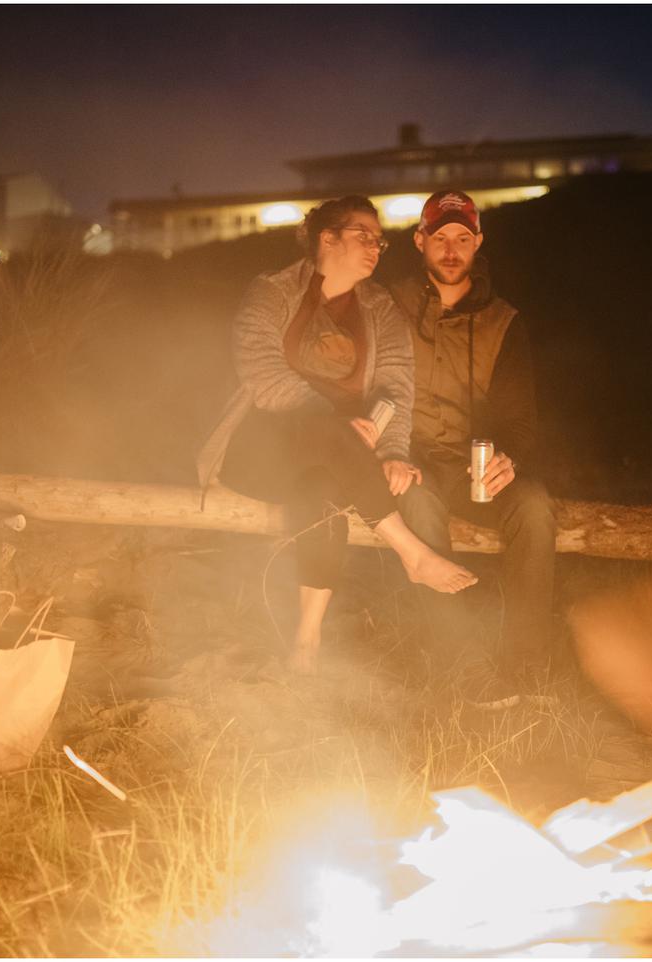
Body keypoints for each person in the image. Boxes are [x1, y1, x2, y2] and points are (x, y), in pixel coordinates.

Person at [196, 195, 477, 673]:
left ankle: (306, 643)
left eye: (379, 241)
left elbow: (397, 387)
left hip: (344, 460)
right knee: (321, 434)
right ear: (328, 238)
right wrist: (331, 420)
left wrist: (392, 451)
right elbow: (261, 370)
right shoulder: (272, 292)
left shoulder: (380, 308)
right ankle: (412, 553)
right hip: (261, 451)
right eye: (363, 236)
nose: (375, 248)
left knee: (321, 489)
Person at [389, 190, 557, 694]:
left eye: (462, 238)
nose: (450, 250)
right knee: (419, 510)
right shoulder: (389, 307)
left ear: (478, 242)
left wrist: (509, 458)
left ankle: (527, 663)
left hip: (472, 472)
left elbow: (520, 420)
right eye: (440, 237)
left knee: (533, 507)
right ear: (419, 240)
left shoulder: (502, 322)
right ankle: (463, 662)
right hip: (413, 464)